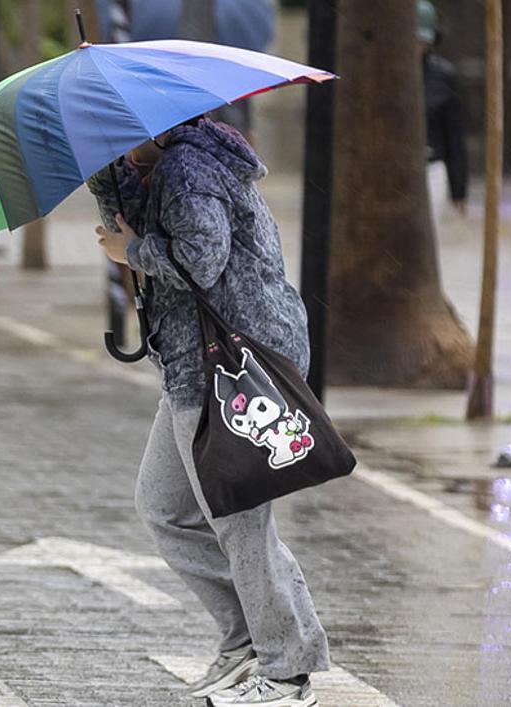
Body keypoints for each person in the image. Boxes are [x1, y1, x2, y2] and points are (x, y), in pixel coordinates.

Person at [88, 117, 327, 707]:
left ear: (153, 126)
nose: (110, 145)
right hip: (196, 362)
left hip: (228, 364)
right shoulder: (165, 165)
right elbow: (140, 217)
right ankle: (251, 639)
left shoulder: (189, 170)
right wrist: (106, 180)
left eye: (114, 134)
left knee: (239, 521)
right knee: (165, 507)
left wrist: (133, 250)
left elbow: (202, 260)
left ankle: (286, 670)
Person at [419, 0, 469, 223]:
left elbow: (454, 136)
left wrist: (459, 188)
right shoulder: (383, 76)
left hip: (431, 166)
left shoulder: (443, 76)